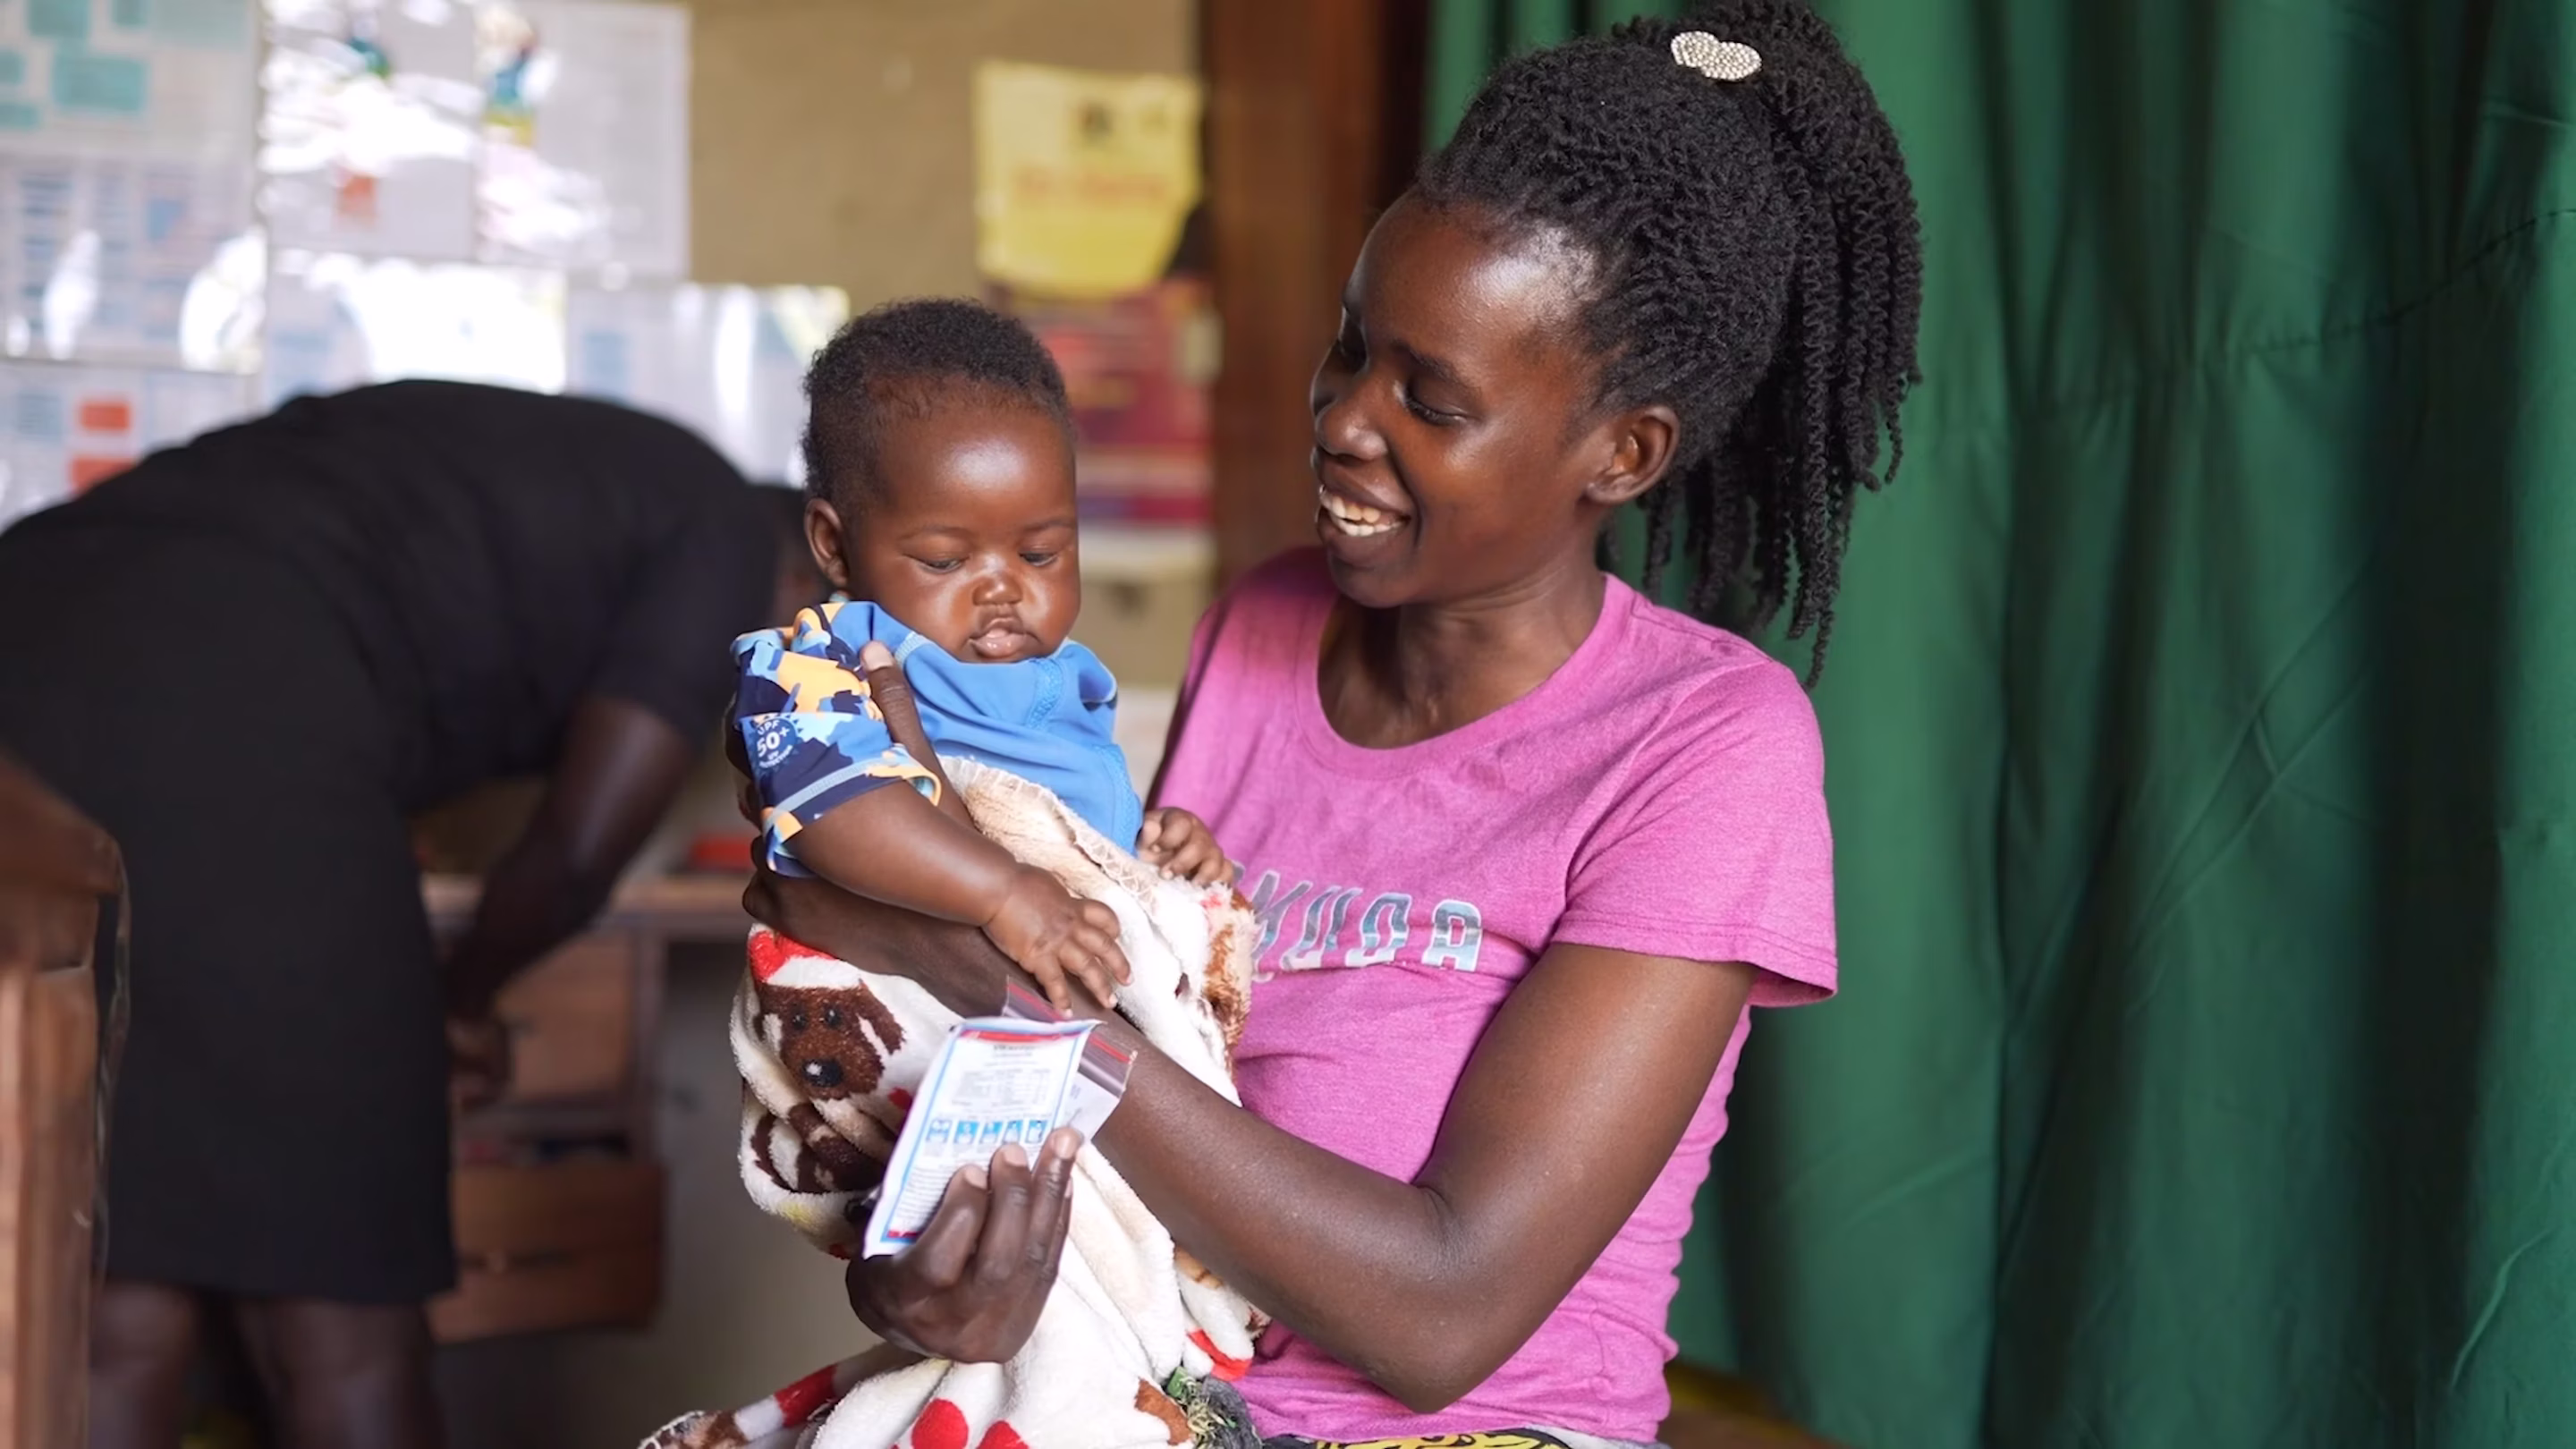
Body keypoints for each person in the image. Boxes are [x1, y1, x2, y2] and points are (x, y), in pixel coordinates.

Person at [739, 3, 1920, 1446]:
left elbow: (1441, 1313)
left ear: (1623, 453)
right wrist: (945, 1280)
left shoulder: (1707, 745)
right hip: (1154, 1382)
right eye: (1354, 350)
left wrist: (1012, 991)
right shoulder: (1265, 625)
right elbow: (1124, 1012)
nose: (1348, 420)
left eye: (1431, 399)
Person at [0, 380, 821, 1449]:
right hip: (220, 683)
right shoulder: (724, 528)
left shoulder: (590, 477)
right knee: (338, 1330)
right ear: (817, 568)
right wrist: (452, 1007)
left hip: (31, 644)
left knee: (117, 1297)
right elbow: (579, 847)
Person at [735, 298, 1236, 1018]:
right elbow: (836, 812)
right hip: (891, 1017)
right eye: (945, 561)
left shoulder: (1061, 680)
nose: (1003, 588)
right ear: (834, 546)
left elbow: (1070, 843)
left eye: (1040, 553)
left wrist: (1156, 853)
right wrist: (1003, 891)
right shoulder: (823, 662)